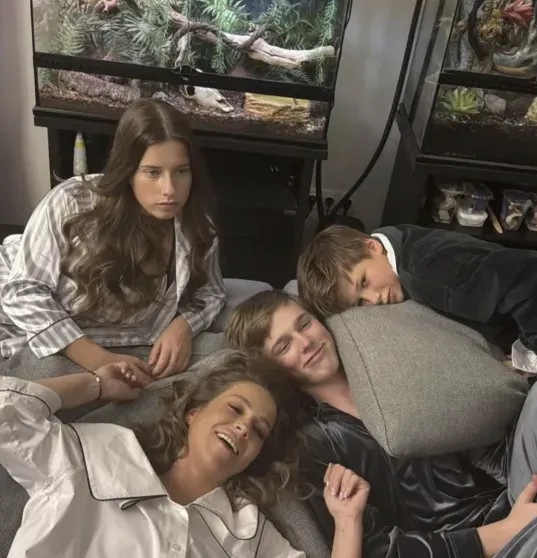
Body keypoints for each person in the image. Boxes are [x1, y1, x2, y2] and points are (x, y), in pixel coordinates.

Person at [226, 290, 537, 558]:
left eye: (304, 324)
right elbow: (380, 550)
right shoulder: (314, 446)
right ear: (272, 370)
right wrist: (503, 533)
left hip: (513, 489)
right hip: (479, 542)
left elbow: (481, 430)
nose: (305, 342)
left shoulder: (386, 367)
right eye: (284, 346)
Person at [0, 350, 368, 557]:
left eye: (258, 431)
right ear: (194, 413)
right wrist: (95, 385)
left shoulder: (247, 535)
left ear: (254, 455)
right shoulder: (95, 454)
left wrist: (348, 520)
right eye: (235, 409)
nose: (243, 427)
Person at [0, 99, 226, 378]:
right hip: (11, 315)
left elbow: (213, 292)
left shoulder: (196, 223)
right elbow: (22, 291)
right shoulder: (72, 201)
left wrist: (183, 326)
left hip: (119, 338)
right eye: (153, 172)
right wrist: (99, 359)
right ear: (128, 171)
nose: (169, 189)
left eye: (181, 171)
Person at [296, 224, 537, 372]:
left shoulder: (425, 273)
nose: (373, 300)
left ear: (372, 246)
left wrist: (529, 351)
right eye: (359, 303)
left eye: (364, 282)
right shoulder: (400, 239)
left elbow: (526, 281)